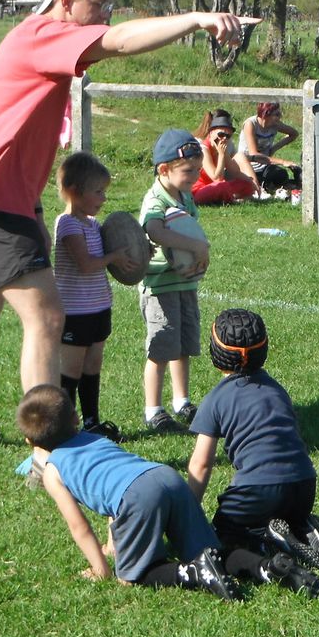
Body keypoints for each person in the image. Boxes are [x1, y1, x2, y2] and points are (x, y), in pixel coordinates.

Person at [0, 0, 259, 451]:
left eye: (111, 3)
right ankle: (50, 451)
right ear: (66, 1)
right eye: (99, 2)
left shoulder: (39, 37)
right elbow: (121, 41)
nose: (106, 12)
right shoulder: (44, 32)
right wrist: (198, 19)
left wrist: (32, 209)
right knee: (46, 316)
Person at [16, 384, 319, 599]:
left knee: (136, 576)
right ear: (75, 419)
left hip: (137, 496)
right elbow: (113, 489)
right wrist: (115, 542)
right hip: (164, 477)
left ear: (30, 443)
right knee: (214, 550)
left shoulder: (53, 471)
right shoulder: (96, 439)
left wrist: (101, 568)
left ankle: (193, 573)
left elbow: (78, 525)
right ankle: (267, 567)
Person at [187, 309, 319, 569]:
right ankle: (302, 527)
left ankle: (272, 540)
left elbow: (201, 464)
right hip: (304, 485)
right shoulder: (276, 389)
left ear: (215, 353)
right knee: (285, 513)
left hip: (257, 491)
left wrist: (188, 512)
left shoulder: (215, 399)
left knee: (223, 536)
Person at [53, 151, 133, 443]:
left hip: (99, 307)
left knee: (92, 366)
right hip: (75, 312)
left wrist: (135, 253)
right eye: (98, 191)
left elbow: (110, 258)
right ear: (75, 192)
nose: (103, 198)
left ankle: (91, 422)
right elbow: (86, 264)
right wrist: (114, 255)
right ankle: (64, 426)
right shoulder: (68, 224)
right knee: (71, 370)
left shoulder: (92, 225)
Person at [137, 128, 209, 434]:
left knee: (183, 346)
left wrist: (197, 255)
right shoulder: (155, 198)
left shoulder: (185, 194)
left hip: (184, 284)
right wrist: (195, 247)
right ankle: (154, 410)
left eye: (197, 170)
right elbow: (155, 231)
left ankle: (182, 401)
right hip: (160, 288)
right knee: (161, 348)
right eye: (188, 171)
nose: (195, 176)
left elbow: (190, 230)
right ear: (164, 169)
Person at [191, 109, 258, 205]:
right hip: (199, 190)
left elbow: (235, 172)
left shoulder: (222, 148)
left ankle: (228, 197)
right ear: (211, 133)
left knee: (245, 184)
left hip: (215, 186)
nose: (224, 139)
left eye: (228, 136)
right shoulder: (203, 149)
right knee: (221, 186)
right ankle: (231, 199)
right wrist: (222, 155)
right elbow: (217, 177)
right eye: (221, 134)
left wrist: (251, 182)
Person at [235, 102, 301, 196]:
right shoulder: (251, 124)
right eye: (277, 114)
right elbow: (254, 154)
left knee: (282, 174)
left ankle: (267, 186)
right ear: (266, 114)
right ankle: (261, 186)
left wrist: (274, 148)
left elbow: (294, 134)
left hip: (265, 165)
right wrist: (282, 162)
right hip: (248, 165)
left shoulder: (276, 125)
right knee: (255, 179)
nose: (280, 117)